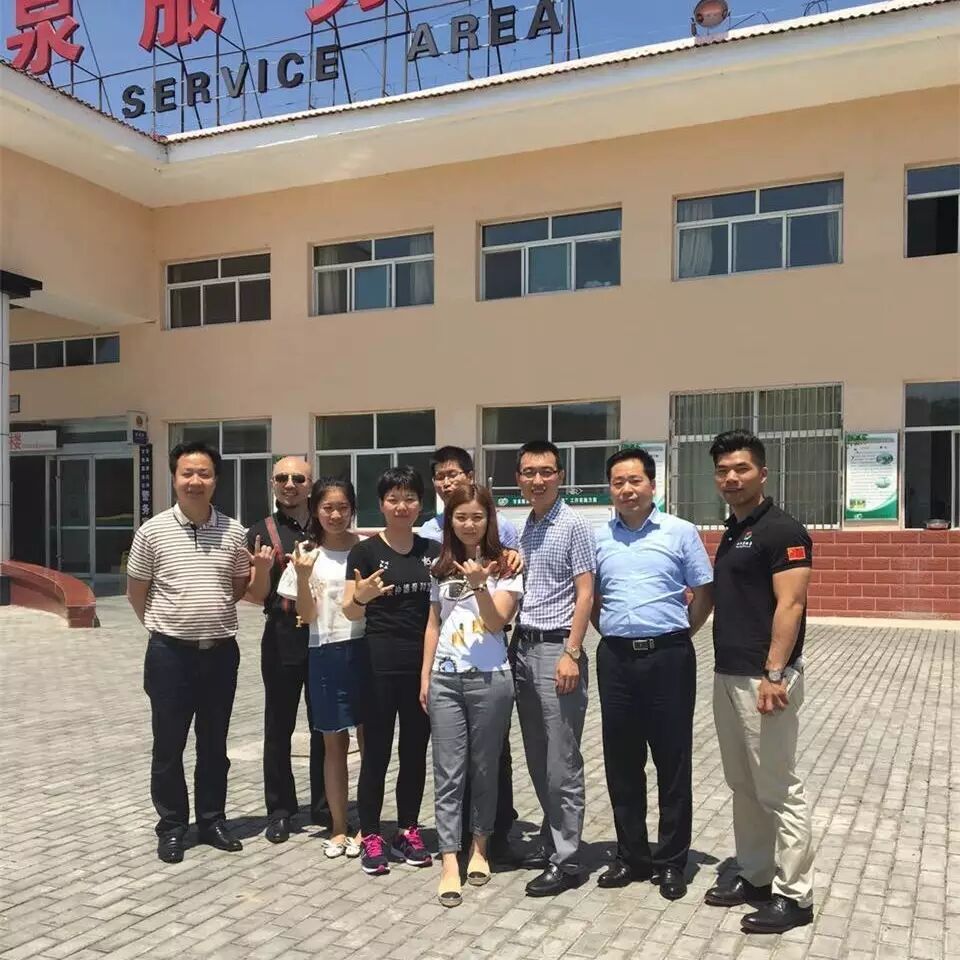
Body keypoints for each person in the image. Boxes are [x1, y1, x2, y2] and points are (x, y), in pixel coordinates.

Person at [704, 429, 815, 934]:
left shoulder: (782, 531)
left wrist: (774, 672)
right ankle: (756, 876)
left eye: (741, 468)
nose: (731, 477)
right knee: (743, 785)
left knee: (778, 787)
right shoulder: (733, 530)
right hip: (728, 674)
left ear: (763, 473)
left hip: (764, 680)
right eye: (723, 470)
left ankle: (795, 897)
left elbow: (791, 604)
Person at [592, 447, 714, 900]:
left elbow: (704, 593)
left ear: (652, 485)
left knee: (672, 759)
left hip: (669, 659)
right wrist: (612, 632)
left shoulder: (680, 532)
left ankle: (671, 861)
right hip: (616, 659)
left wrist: (678, 634)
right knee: (622, 761)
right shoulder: (598, 537)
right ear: (610, 489)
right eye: (618, 482)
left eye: (635, 481)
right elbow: (591, 599)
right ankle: (631, 856)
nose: (627, 489)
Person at [126, 441, 251, 864]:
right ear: (174, 477)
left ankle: (212, 820)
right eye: (187, 473)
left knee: (214, 744)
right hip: (170, 656)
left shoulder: (234, 531)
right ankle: (173, 826)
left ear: (216, 480)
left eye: (204, 473)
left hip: (220, 654)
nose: (195, 481)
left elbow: (238, 587)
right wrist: (166, 627)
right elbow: (137, 591)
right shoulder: (152, 531)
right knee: (168, 745)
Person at [420, 484, 522, 907]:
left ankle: (480, 847)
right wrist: (425, 676)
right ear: (450, 520)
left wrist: (481, 585)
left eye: (477, 516)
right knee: (448, 771)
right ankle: (449, 859)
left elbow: (497, 623)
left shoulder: (508, 565)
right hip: (445, 680)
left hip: (491, 679)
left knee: (484, 767)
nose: (469, 524)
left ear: (489, 519)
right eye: (460, 516)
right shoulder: (440, 566)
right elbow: (433, 624)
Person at [342, 465, 438, 876]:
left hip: (422, 666)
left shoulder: (433, 550)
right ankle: (371, 834)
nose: (402, 506)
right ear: (380, 504)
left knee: (414, 751)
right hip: (377, 664)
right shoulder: (364, 552)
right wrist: (361, 597)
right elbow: (349, 610)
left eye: (409, 498)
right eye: (393, 499)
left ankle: (408, 829)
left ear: (421, 504)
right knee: (376, 753)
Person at [513, 440, 595, 897]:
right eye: (529, 472)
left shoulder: (574, 525)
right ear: (519, 478)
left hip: (557, 650)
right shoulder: (526, 525)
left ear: (560, 475)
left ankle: (568, 860)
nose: (537, 480)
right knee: (537, 754)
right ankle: (551, 838)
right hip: (522, 648)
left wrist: (572, 652)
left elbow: (586, 593)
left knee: (562, 760)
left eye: (546, 471)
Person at [277, 478, 365, 859]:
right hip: (325, 652)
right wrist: (301, 575)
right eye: (328, 507)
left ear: (353, 509)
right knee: (334, 743)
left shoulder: (367, 549)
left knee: (370, 741)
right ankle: (339, 827)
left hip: (366, 650)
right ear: (315, 510)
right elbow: (306, 615)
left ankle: (369, 825)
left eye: (343, 507)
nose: (335, 514)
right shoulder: (307, 555)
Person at [245, 457, 329, 843]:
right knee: (278, 726)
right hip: (281, 633)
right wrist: (262, 570)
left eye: (298, 478)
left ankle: (325, 805)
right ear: (273, 483)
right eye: (282, 478)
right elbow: (255, 594)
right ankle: (280, 809)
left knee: (324, 725)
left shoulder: (326, 524)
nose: (289, 484)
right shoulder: (258, 532)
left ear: (310, 483)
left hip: (324, 632)